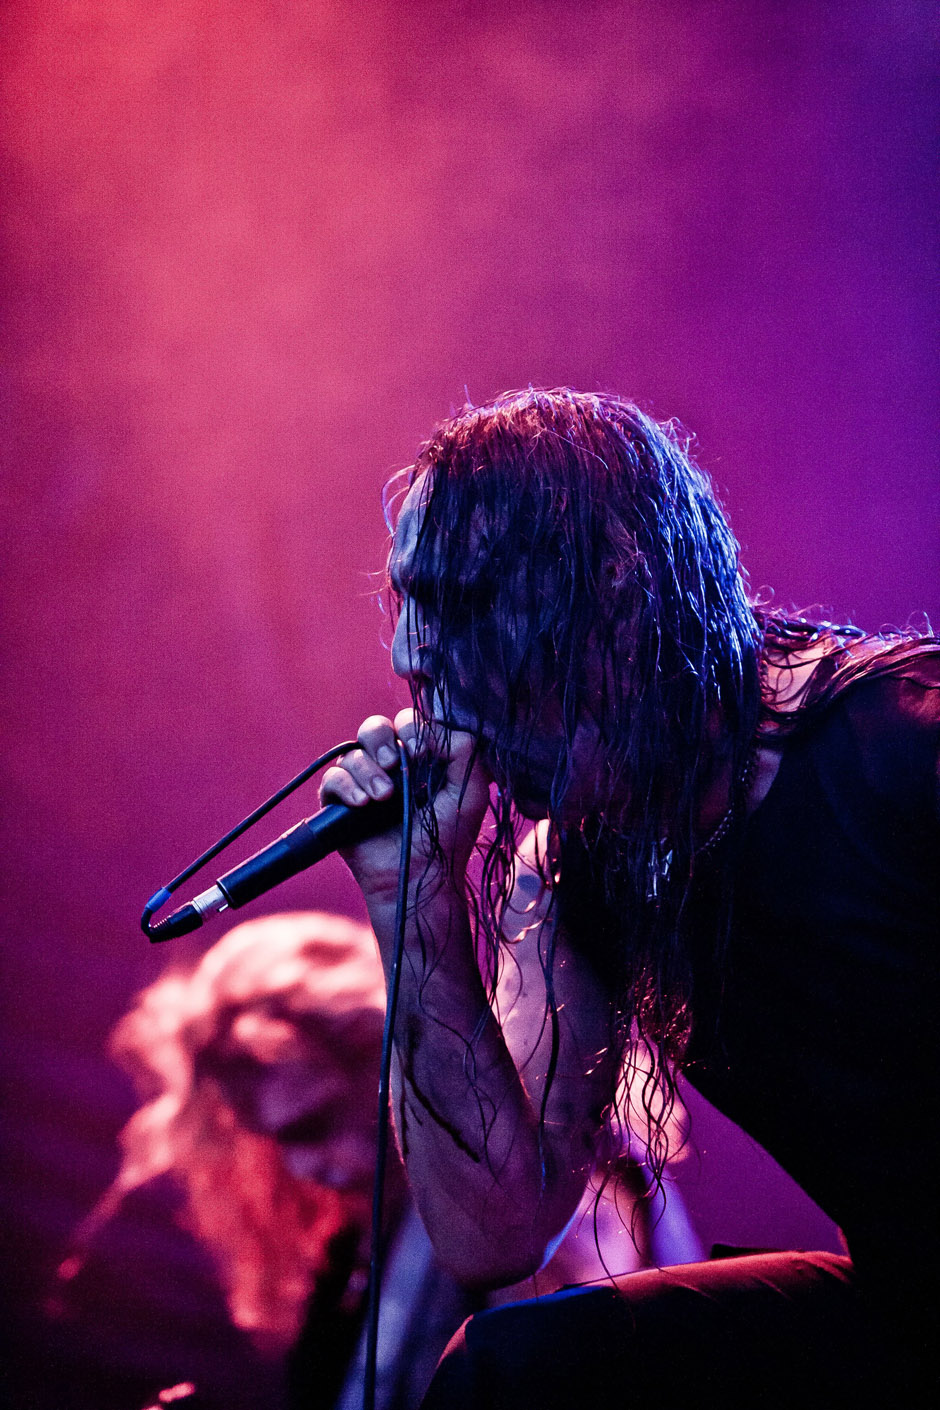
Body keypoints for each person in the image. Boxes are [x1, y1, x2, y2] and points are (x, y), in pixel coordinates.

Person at [319, 387, 939, 1407]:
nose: (408, 657)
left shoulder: (904, 751)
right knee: (510, 1372)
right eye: (405, 608)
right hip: (904, 1315)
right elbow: (492, 1232)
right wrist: (411, 900)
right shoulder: (580, 871)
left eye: (454, 604)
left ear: (616, 588)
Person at [57, 907, 699, 1410]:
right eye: (278, 1142)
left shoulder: (547, 1197)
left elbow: (592, 1386)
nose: (302, 1168)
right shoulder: (356, 1246)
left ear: (383, 1060)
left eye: (315, 1125)